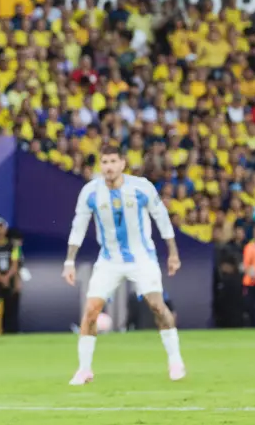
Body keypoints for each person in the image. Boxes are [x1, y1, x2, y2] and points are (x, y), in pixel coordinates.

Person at [63, 144, 185, 385]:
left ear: (122, 164)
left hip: (142, 258)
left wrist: (173, 253)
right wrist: (69, 261)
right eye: (104, 162)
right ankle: (84, 369)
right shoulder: (90, 192)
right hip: (109, 260)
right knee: (90, 311)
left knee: (158, 307)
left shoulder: (141, 188)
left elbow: (162, 218)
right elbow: (78, 227)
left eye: (112, 162)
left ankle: (175, 361)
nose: (108, 167)